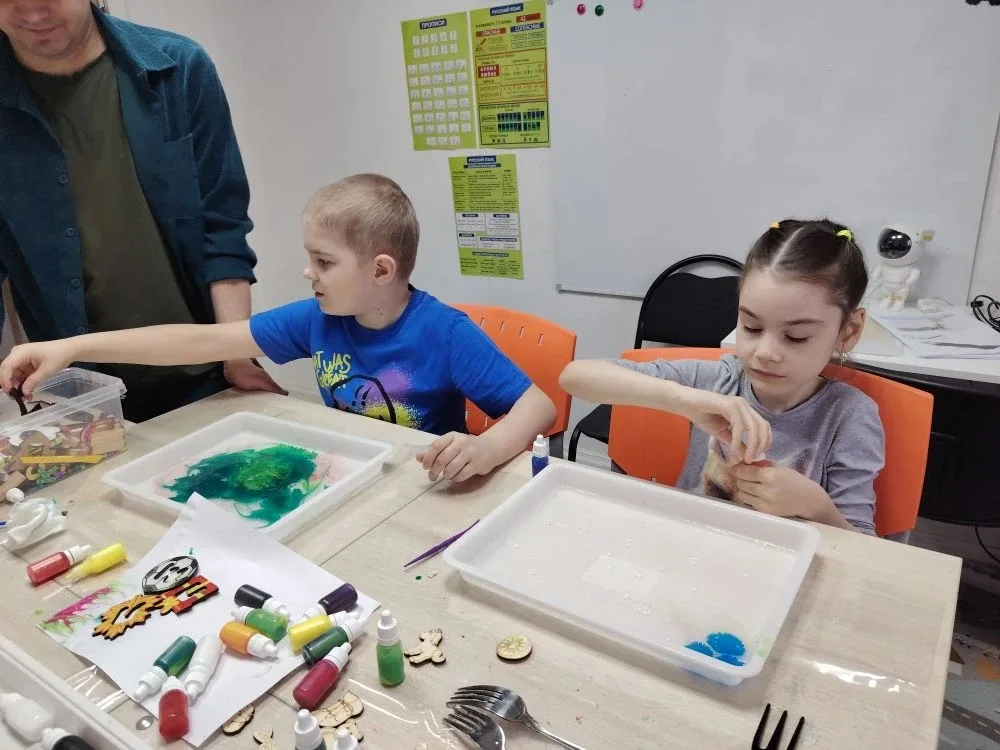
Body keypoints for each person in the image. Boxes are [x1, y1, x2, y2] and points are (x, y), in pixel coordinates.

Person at [0, 174, 557, 483]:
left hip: (422, 489)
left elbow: (538, 407)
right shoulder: (319, 317)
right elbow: (201, 340)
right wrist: (71, 346)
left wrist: (486, 449)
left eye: (324, 262)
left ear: (381, 270)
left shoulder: (445, 333)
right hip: (353, 477)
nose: (308, 273)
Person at [0, 0, 284, 422]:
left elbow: (222, 227)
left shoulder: (179, 68)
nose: (34, 14)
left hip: (202, 370)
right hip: (79, 392)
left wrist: (236, 356)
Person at [560, 219, 885, 534]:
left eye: (796, 337)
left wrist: (818, 508)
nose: (765, 352)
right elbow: (574, 377)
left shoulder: (849, 416)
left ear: (849, 331)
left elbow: (866, 551)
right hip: (691, 543)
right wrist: (682, 400)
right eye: (751, 327)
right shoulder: (721, 381)